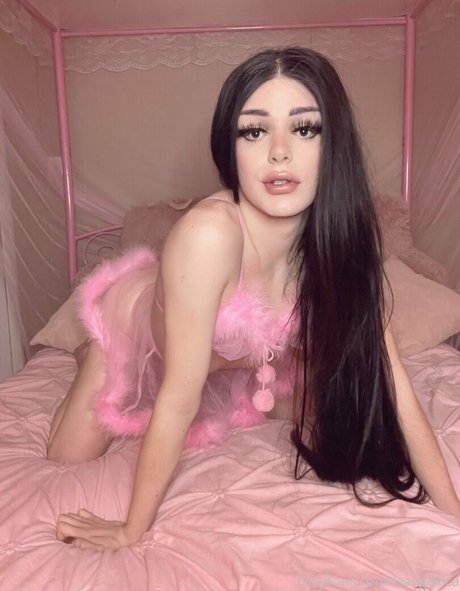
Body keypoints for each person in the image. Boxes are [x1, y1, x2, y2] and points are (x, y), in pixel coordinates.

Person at [48, 46, 460, 551]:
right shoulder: (207, 237)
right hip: (141, 336)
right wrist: (131, 529)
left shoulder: (339, 245)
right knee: (66, 458)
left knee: (298, 406)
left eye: (304, 128)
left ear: (334, 145)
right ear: (230, 148)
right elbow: (179, 397)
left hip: (225, 359)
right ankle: (91, 354)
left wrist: (453, 512)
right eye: (254, 131)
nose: (279, 152)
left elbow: (393, 383)